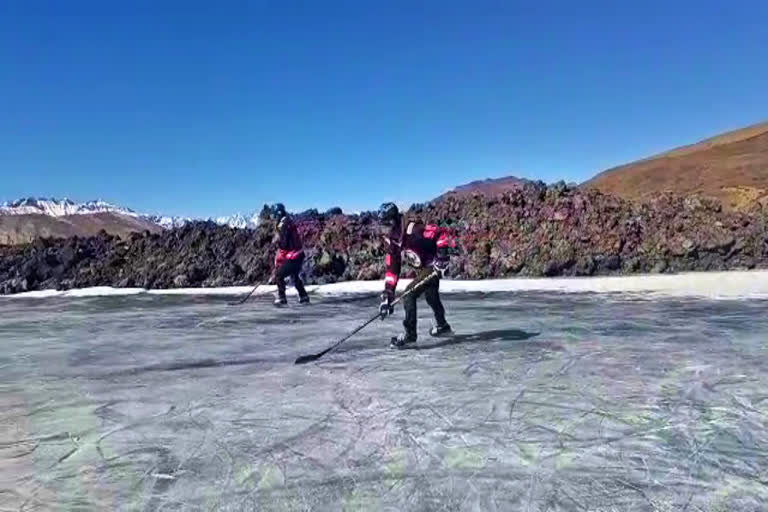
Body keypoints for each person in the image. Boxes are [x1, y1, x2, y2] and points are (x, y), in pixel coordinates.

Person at [377, 202, 457, 348]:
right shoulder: (392, 242)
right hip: (424, 268)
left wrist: (443, 258)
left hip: (434, 266)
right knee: (431, 296)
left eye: (386, 226)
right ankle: (443, 326)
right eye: (381, 227)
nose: (384, 231)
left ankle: (410, 336)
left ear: (393, 222)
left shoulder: (413, 230)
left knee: (408, 293)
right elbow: (392, 270)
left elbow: (440, 232)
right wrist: (388, 296)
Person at [270, 203, 310, 306]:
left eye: (274, 215)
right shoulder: (287, 222)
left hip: (294, 256)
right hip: (298, 255)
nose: (274, 218)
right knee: (294, 275)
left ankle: (281, 297)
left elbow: (284, 244)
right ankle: (303, 296)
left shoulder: (284, 225)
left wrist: (280, 257)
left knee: (278, 274)